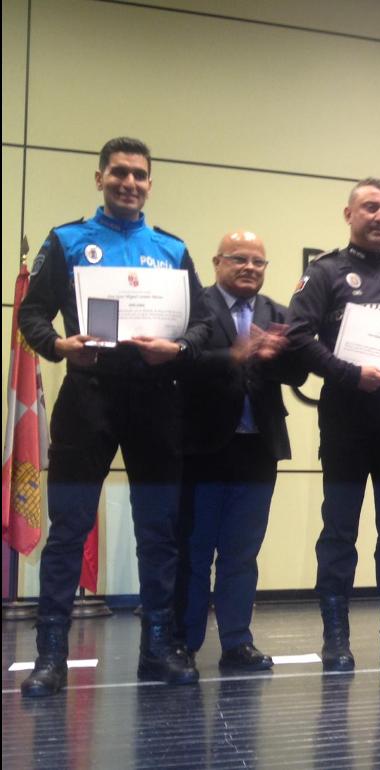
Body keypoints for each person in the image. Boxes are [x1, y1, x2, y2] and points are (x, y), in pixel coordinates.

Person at [19, 137, 205, 696]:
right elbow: (31, 312)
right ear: (99, 178)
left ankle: (157, 649)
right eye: (119, 173)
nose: (129, 183)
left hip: (156, 402)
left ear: (150, 184)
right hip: (88, 398)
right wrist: (57, 345)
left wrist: (179, 350)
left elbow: (201, 327)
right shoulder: (68, 239)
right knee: (69, 528)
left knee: (159, 532)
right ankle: (50, 656)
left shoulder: (171, 249)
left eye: (140, 175)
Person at [286, 178, 380, 671]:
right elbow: (298, 337)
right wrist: (351, 374)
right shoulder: (324, 271)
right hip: (347, 424)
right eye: (370, 208)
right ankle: (337, 639)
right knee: (339, 533)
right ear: (348, 214)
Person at [174, 230, 305, 671]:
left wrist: (275, 356)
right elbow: (181, 364)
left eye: (259, 262)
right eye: (239, 259)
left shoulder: (278, 313)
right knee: (194, 552)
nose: (250, 267)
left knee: (242, 553)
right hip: (203, 447)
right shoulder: (197, 307)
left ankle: (236, 643)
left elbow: (299, 375)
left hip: (258, 449)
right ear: (217, 262)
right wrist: (236, 354)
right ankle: (185, 645)